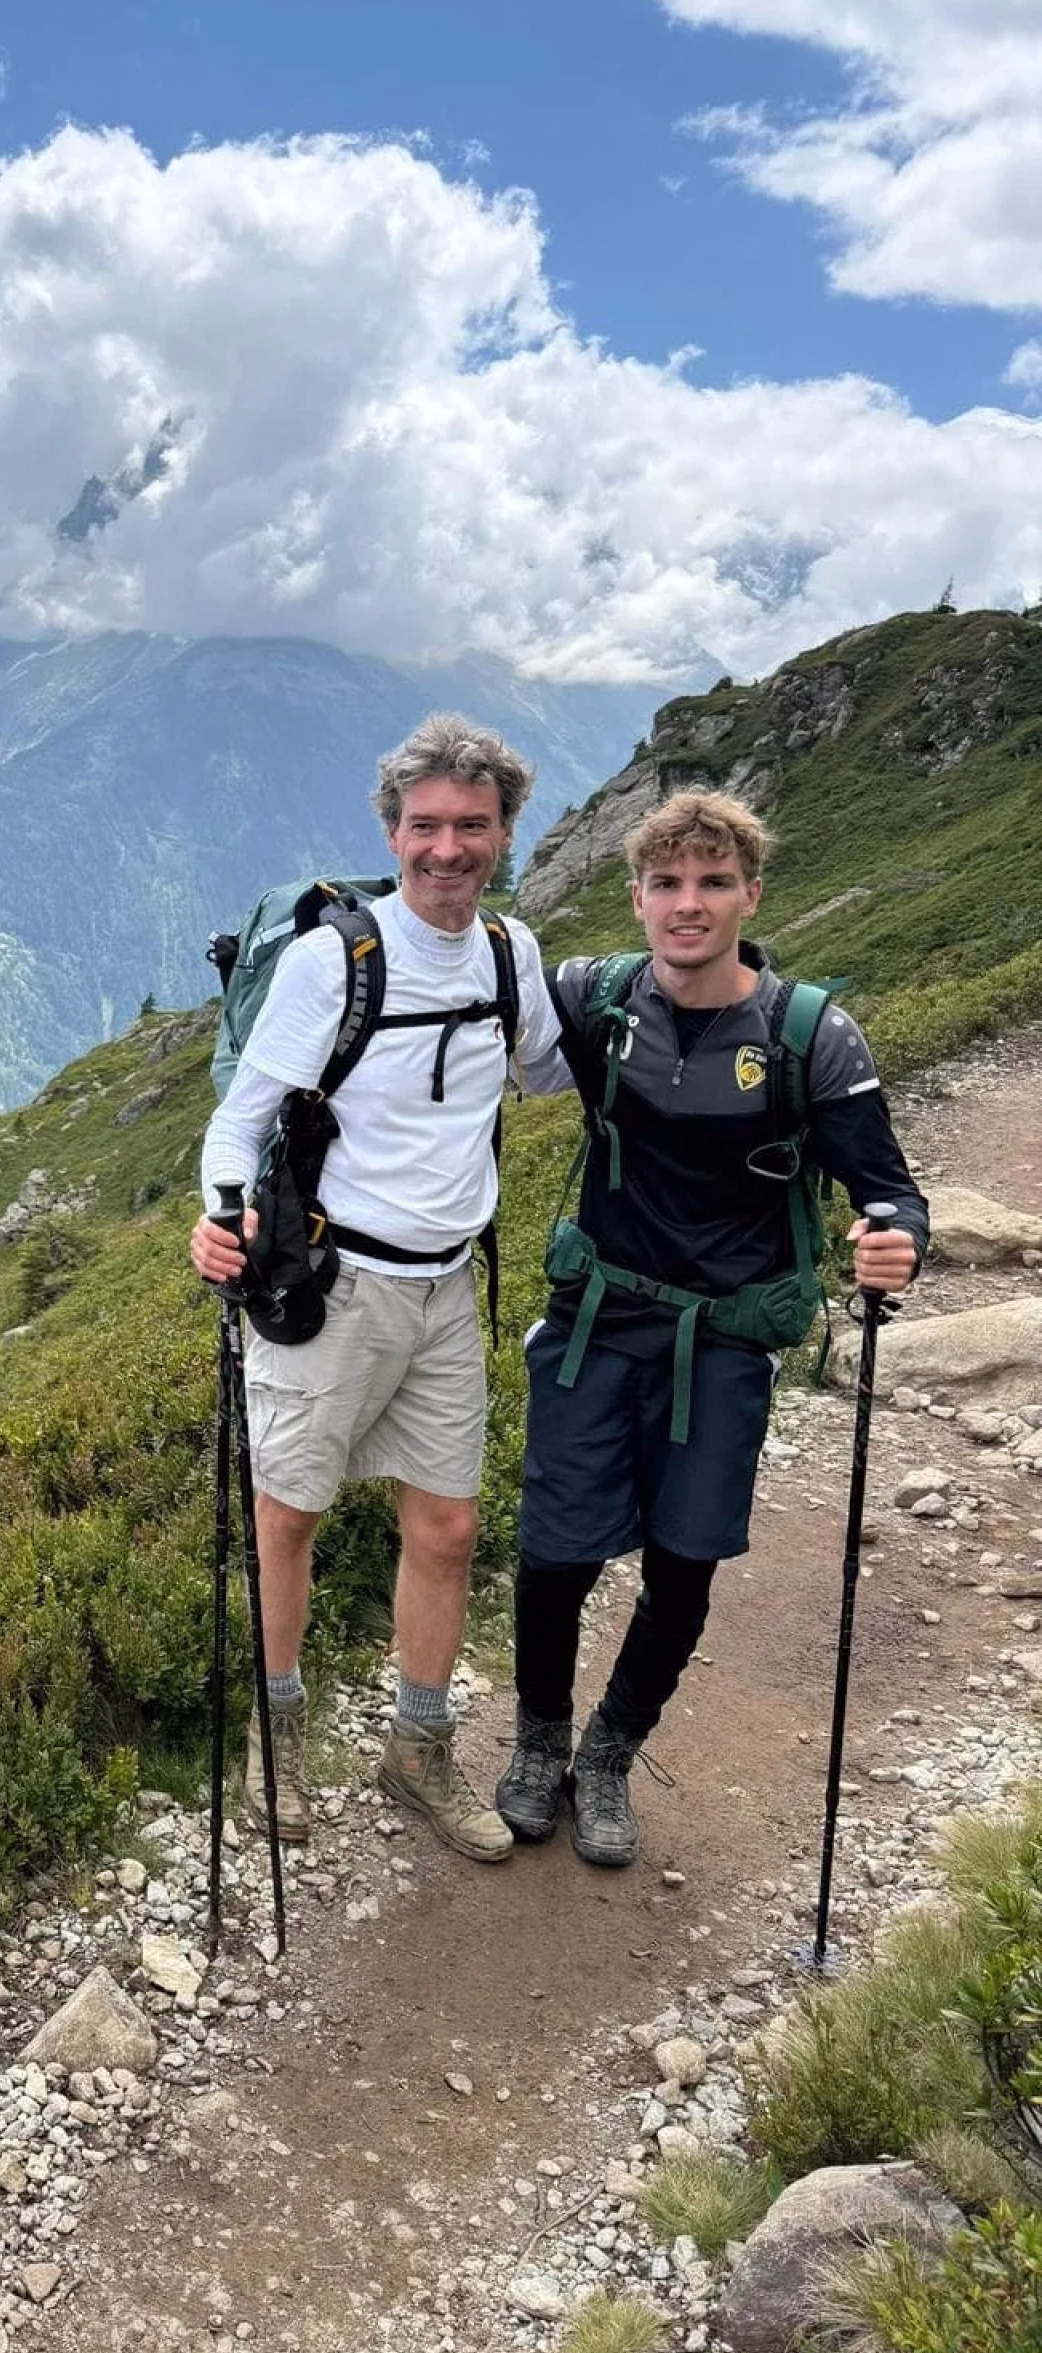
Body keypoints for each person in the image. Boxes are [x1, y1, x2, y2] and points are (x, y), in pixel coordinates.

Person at [499, 789, 928, 1866]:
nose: (689, 905)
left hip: (727, 1340)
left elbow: (890, 1193)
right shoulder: (595, 1000)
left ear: (751, 893)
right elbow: (465, 990)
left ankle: (607, 1754)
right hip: (597, 1317)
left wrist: (894, 1245)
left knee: (684, 1564)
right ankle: (538, 1739)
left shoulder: (808, 1035)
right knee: (555, 1555)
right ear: (638, 895)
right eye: (669, 884)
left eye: (714, 882)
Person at [190, 712, 566, 1859]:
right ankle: (280, 1733)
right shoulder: (331, 963)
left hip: (450, 1289)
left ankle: (417, 1750)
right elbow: (239, 1121)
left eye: (472, 825)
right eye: (424, 825)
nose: (446, 848)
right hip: (333, 1287)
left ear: (505, 831)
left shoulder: (512, 955)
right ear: (391, 830)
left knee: (447, 1526)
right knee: (288, 1515)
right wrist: (220, 1216)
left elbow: (549, 1065)